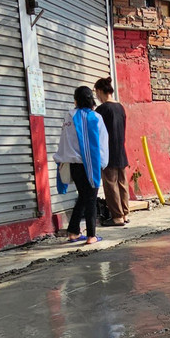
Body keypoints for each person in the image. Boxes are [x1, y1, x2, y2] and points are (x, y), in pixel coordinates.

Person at [54, 85, 110, 245]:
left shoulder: (69, 117)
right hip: (91, 164)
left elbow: (64, 141)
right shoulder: (95, 117)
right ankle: (91, 235)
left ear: (76, 100)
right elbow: (102, 143)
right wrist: (103, 163)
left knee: (83, 197)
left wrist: (60, 159)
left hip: (74, 165)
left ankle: (73, 231)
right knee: (90, 198)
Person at [94, 77, 129, 227]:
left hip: (107, 152)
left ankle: (117, 217)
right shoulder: (120, 107)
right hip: (121, 150)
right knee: (122, 183)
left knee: (110, 185)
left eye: (96, 93)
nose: (97, 96)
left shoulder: (102, 109)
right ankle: (125, 214)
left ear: (100, 91)